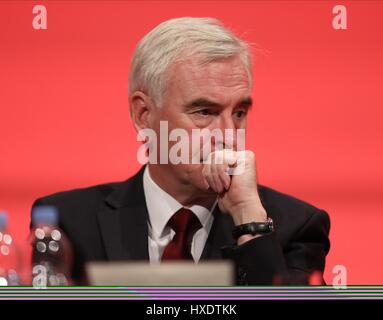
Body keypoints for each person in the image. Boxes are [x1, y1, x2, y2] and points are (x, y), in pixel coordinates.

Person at [31, 17, 330, 285]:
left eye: (239, 112)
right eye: (204, 111)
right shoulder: (66, 224)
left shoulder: (294, 227)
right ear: (143, 114)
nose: (228, 135)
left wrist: (249, 221)